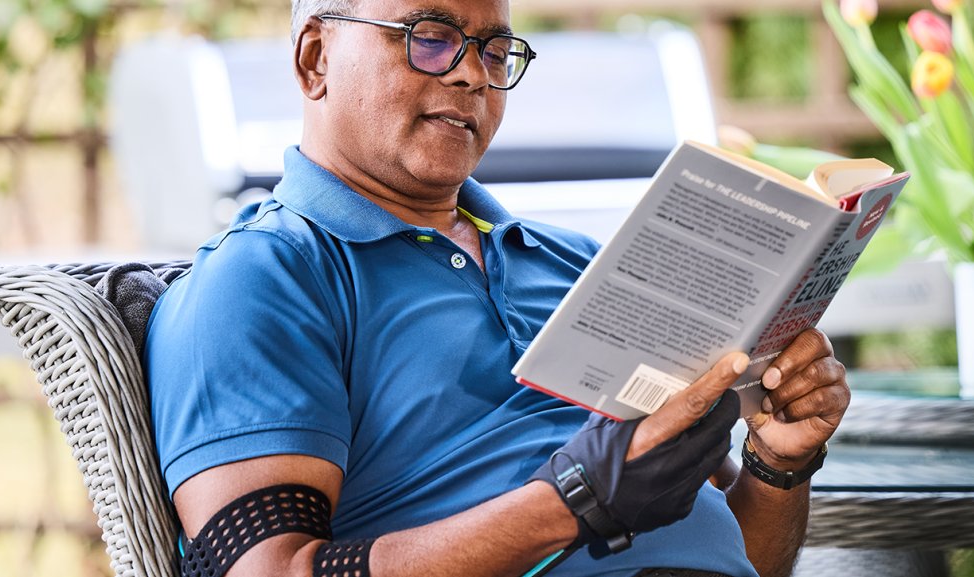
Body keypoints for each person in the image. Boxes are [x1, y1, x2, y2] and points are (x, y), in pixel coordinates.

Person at [144, 0, 850, 575]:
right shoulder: (264, 279)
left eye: (494, 51)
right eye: (429, 37)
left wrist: (778, 464)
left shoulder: (583, 266)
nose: (472, 76)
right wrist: (576, 500)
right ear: (315, 58)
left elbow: (729, 552)